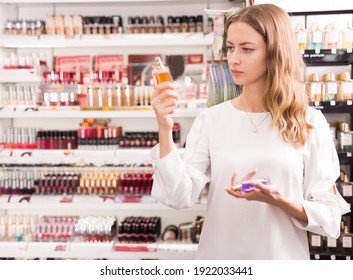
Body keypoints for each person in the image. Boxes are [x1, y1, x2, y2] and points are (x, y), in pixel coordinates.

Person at [149, 4, 351, 259]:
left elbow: (330, 219)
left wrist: (281, 200)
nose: (234, 59)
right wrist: (165, 128)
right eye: (230, 48)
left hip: (281, 263)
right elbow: (178, 196)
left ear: (275, 53)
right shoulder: (212, 120)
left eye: (247, 49)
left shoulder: (308, 121)